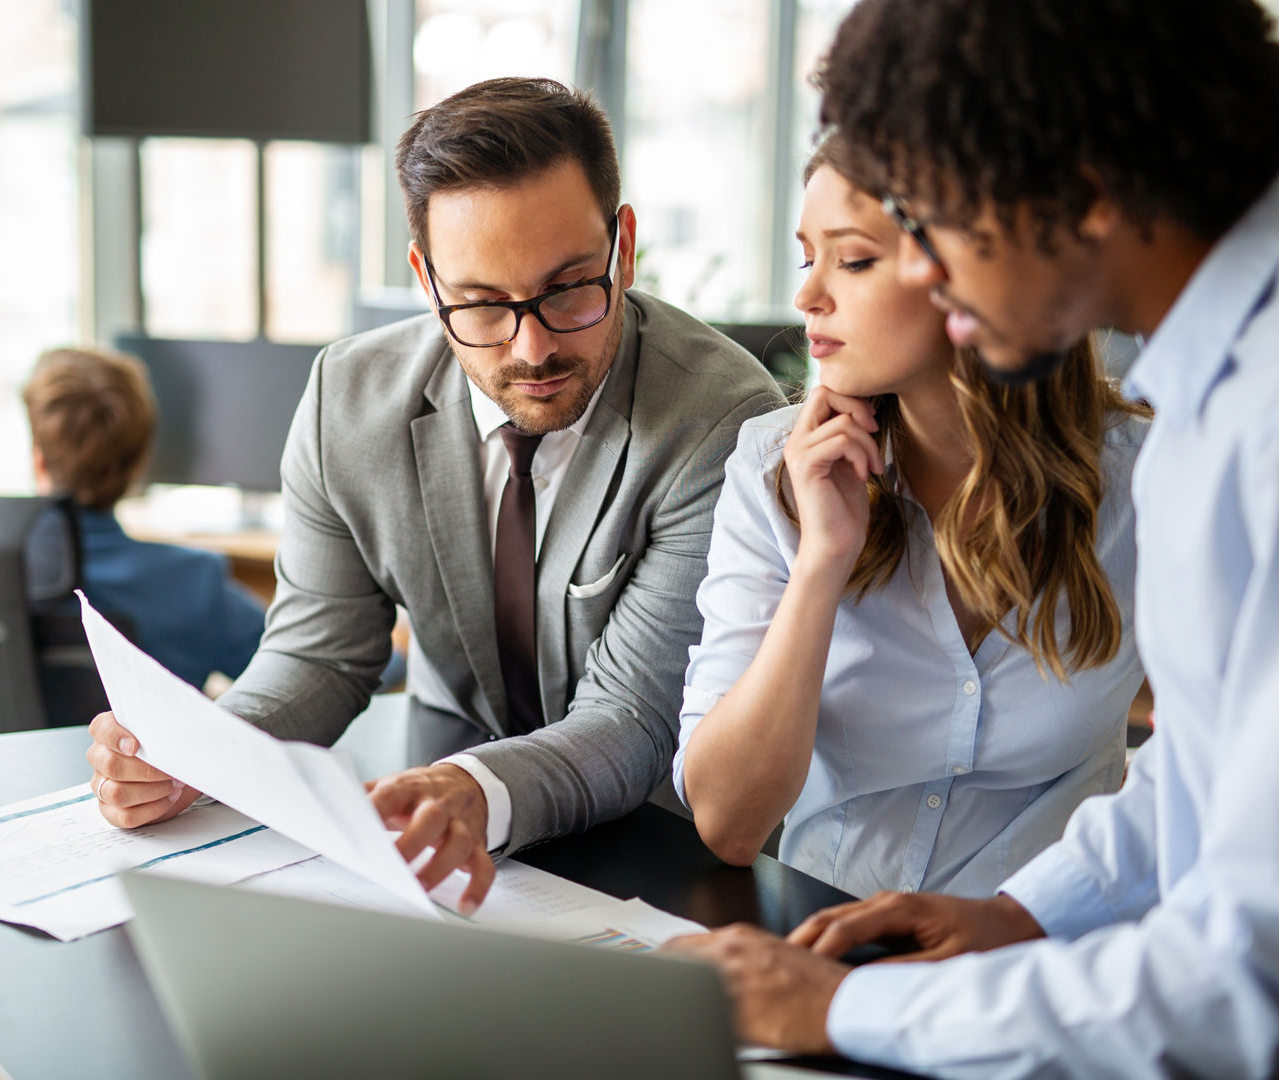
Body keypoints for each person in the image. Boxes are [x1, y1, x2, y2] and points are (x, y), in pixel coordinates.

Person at [665, 0, 1279, 1076]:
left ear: (1075, 187)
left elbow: (1243, 972)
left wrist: (846, 1015)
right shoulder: (1212, 395)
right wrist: (1023, 914)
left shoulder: (1252, 428)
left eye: (932, 215)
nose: (929, 273)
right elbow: (1203, 773)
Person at [86, 77, 783, 912]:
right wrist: (199, 752)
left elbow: (633, 719)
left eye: (567, 289)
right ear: (426, 279)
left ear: (623, 245)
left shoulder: (720, 422)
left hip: (655, 855)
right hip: (433, 847)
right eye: (484, 304)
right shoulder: (348, 397)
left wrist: (465, 790)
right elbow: (317, 655)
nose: (532, 347)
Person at [674, 137, 1148, 899]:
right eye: (808, 259)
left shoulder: (1142, 479)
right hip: (827, 936)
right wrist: (822, 562)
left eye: (853, 261)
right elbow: (728, 821)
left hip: (1048, 954)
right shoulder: (775, 466)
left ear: (970, 274)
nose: (808, 298)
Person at [0, 346, 267, 749]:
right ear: (137, 465)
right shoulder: (193, 583)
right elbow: (302, 682)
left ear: (38, 460)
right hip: (141, 822)